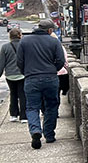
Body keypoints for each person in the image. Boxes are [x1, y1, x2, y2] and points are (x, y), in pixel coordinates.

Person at [16, 19, 66, 149]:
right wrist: (53, 70)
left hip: (31, 78)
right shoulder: (54, 41)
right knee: (51, 106)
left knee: (32, 107)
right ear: (49, 30)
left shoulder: (24, 41)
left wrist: (26, 72)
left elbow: (19, 61)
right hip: (50, 78)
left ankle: (35, 130)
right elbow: (61, 60)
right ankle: (49, 134)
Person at [1, 27, 28, 123]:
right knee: (22, 94)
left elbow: (2, 63)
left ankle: (13, 114)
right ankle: (24, 116)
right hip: (22, 74)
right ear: (20, 35)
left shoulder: (5, 47)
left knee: (13, 94)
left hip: (10, 75)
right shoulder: (24, 45)